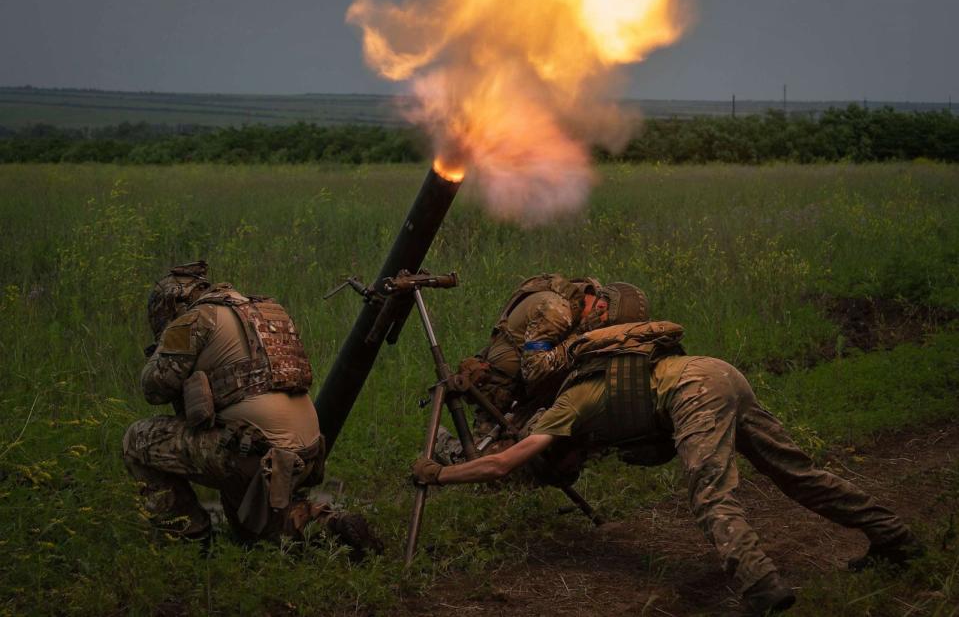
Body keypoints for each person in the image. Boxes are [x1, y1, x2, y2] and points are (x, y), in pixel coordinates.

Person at [413, 285, 922, 614]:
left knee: (711, 494)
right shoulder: (621, 365)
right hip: (720, 373)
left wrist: (438, 474)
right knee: (796, 473)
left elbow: (505, 462)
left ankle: (761, 586)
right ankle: (894, 536)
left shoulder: (570, 402)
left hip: (694, 394)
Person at [123, 261, 380, 556]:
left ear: (172, 305)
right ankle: (329, 525)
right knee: (253, 533)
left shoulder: (194, 319)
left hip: (253, 453)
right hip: (305, 452)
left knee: (137, 440)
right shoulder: (266, 310)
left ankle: (188, 540)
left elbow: (153, 388)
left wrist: (161, 349)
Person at [438, 274, 607, 459]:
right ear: (599, 306)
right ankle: (442, 444)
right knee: (479, 460)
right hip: (501, 385)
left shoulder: (574, 301)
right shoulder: (557, 310)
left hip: (520, 383)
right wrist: (579, 339)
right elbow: (534, 369)